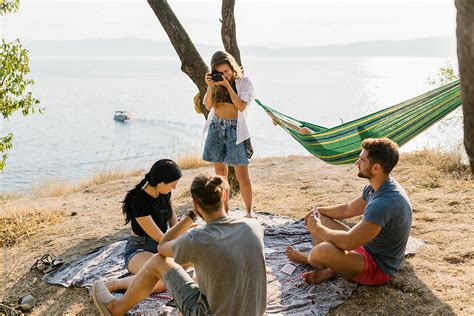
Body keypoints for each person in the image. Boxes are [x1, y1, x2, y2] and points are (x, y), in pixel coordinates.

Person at [91, 174, 267, 316]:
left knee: (158, 261)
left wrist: (191, 216)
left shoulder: (197, 239)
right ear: (225, 195)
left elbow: (162, 248)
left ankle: (117, 308)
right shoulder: (254, 226)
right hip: (254, 311)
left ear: (196, 203)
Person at [285, 138, 412, 286]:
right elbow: (348, 209)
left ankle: (311, 261)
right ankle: (331, 268)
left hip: (377, 266)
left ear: (376, 168)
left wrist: (318, 228)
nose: (356, 164)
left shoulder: (384, 203)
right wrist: (319, 210)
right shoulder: (377, 186)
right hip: (365, 246)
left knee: (321, 251)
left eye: (362, 160)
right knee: (320, 217)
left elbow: (348, 243)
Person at [103, 159, 182, 294]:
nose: (174, 188)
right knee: (162, 282)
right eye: (173, 185)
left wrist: (185, 230)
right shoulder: (139, 201)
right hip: (140, 249)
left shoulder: (165, 192)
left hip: (161, 247)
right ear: (161, 183)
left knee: (195, 258)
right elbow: (161, 238)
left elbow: (173, 222)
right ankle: (114, 284)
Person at [202, 50, 255, 217]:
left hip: (235, 130)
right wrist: (211, 86)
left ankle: (249, 211)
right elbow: (208, 105)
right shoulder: (216, 85)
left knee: (242, 174)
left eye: (227, 71)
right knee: (220, 174)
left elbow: (241, 106)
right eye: (220, 73)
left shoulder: (244, 82)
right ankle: (225, 210)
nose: (225, 75)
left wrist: (226, 86)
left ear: (232, 67)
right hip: (216, 128)